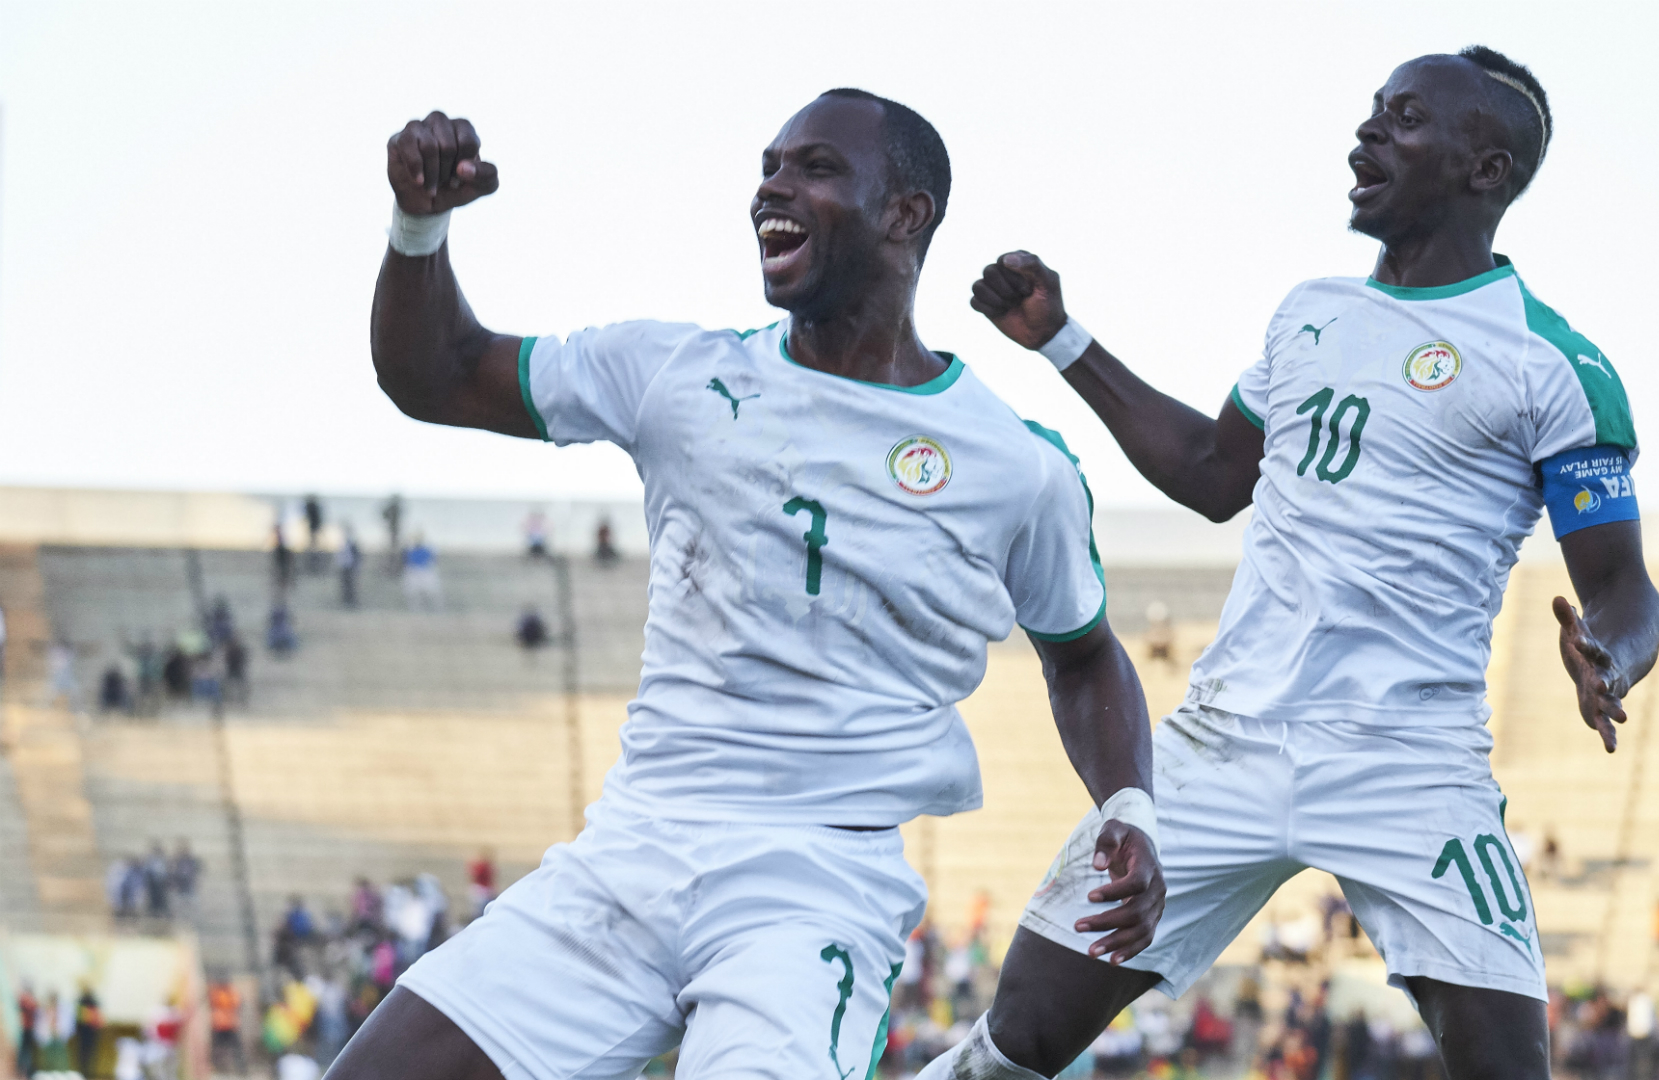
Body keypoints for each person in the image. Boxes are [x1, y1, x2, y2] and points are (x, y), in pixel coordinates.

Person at [332, 90, 1163, 1080]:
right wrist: (419, 224)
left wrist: (1129, 806)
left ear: (906, 214)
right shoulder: (674, 375)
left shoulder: (1016, 466)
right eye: (769, 165)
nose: (772, 186)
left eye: (814, 167)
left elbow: (1083, 659)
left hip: (811, 888)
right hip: (630, 850)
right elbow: (436, 373)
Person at [929, 46, 1659, 1080]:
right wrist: (1060, 339)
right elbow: (1209, 473)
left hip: (1409, 764)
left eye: (1405, 118)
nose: (1368, 132)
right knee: (1018, 1042)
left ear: (1483, 169)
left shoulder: (1554, 365)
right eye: (1374, 111)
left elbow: (1624, 590)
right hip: (1225, 740)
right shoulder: (1309, 313)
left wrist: (1614, 655)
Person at [400, 535, 442, 611]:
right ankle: (415, 609)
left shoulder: (426, 550)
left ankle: (436, 609)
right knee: (413, 593)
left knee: (431, 592)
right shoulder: (410, 551)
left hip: (425, 572)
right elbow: (405, 561)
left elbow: (433, 560)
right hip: (414, 572)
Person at [339, 525, 364, 607]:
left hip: (350, 567)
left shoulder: (352, 545)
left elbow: (357, 557)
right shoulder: (344, 543)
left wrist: (356, 567)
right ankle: (346, 601)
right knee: (345, 585)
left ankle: (351, 602)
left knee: (351, 586)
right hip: (344, 567)